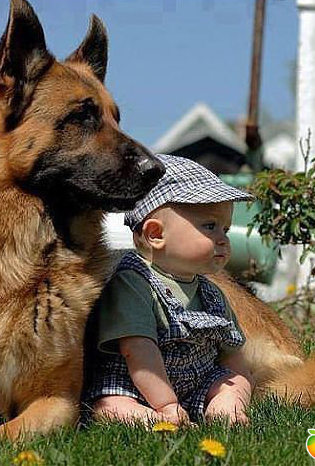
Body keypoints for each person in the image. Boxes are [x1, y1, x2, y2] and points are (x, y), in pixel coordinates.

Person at [83, 154, 256, 426]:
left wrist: (235, 386)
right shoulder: (133, 283)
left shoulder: (211, 293)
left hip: (196, 382)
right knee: (111, 405)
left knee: (236, 380)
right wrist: (166, 403)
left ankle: (226, 411)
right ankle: (149, 417)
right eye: (210, 226)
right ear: (156, 234)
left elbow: (232, 353)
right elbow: (137, 351)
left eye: (226, 228)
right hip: (135, 385)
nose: (223, 239)